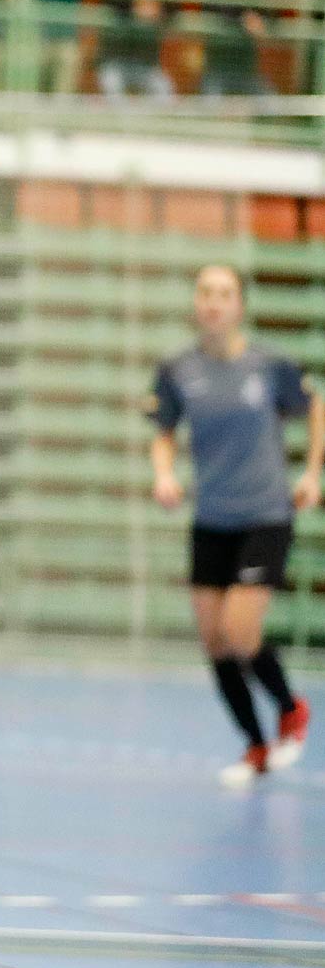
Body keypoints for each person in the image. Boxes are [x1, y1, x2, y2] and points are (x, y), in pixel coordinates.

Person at [148, 265, 320, 786]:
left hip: (266, 515)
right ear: (196, 303)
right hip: (212, 519)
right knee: (214, 640)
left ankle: (291, 707)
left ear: (240, 305)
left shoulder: (270, 365)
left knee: (239, 630)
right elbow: (163, 430)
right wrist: (163, 474)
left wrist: (312, 472)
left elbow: (315, 408)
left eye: (224, 294)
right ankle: (256, 747)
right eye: (205, 293)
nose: (214, 303)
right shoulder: (178, 370)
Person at [97, 0, 174, 100]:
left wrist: (158, 11)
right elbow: (113, 5)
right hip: (116, 62)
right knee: (110, 85)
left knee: (164, 90)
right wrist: (135, 6)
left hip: (147, 65)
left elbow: (174, 10)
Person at [199, 0, 272, 98]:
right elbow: (216, 20)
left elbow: (271, 20)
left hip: (247, 73)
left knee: (270, 102)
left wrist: (261, 24)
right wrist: (243, 21)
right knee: (209, 102)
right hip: (216, 72)